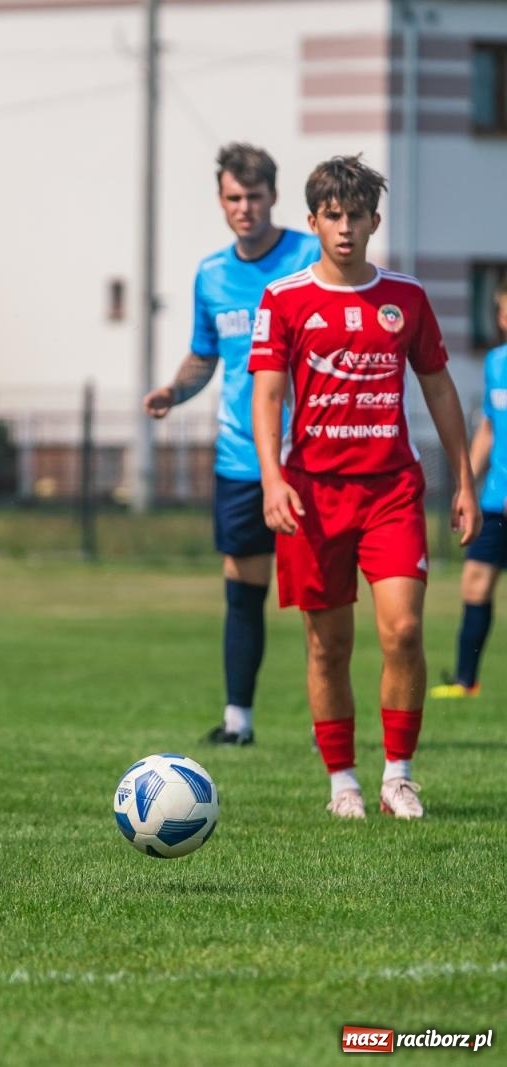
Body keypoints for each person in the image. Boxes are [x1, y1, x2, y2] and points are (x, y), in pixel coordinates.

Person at [249, 155, 479, 821]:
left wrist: (463, 479)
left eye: (357, 216)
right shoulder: (285, 300)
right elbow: (266, 395)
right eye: (333, 216)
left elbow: (438, 386)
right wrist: (272, 478)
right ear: (314, 221)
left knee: (404, 630)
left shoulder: (405, 298)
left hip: (391, 492)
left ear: (375, 220)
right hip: (312, 496)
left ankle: (398, 777)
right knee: (329, 644)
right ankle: (343, 781)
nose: (345, 228)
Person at [144, 143, 320, 746]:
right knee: (244, 589)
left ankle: (339, 729)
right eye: (233, 198)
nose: (245, 208)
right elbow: (206, 355)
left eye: (255, 196)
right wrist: (174, 390)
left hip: (313, 458)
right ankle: (238, 721)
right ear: (222, 202)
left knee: (325, 597)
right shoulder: (211, 274)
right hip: (242, 459)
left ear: (274, 196)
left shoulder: (309, 259)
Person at [432, 279, 507, 699]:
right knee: (474, 584)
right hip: (496, 498)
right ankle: (466, 681)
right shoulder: (496, 363)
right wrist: (466, 485)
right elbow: (489, 431)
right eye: (503, 311)